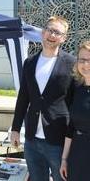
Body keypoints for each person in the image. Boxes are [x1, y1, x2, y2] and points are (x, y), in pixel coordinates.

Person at [10, 16, 75, 181]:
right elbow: (23, 97)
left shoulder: (71, 63)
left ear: (64, 38)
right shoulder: (30, 62)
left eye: (57, 32)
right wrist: (16, 128)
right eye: (49, 29)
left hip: (58, 138)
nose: (51, 35)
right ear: (43, 32)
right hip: (32, 139)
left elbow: (74, 102)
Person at [60, 41, 90, 181]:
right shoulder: (77, 89)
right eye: (82, 60)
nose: (85, 64)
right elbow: (71, 126)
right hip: (77, 153)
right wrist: (64, 159)